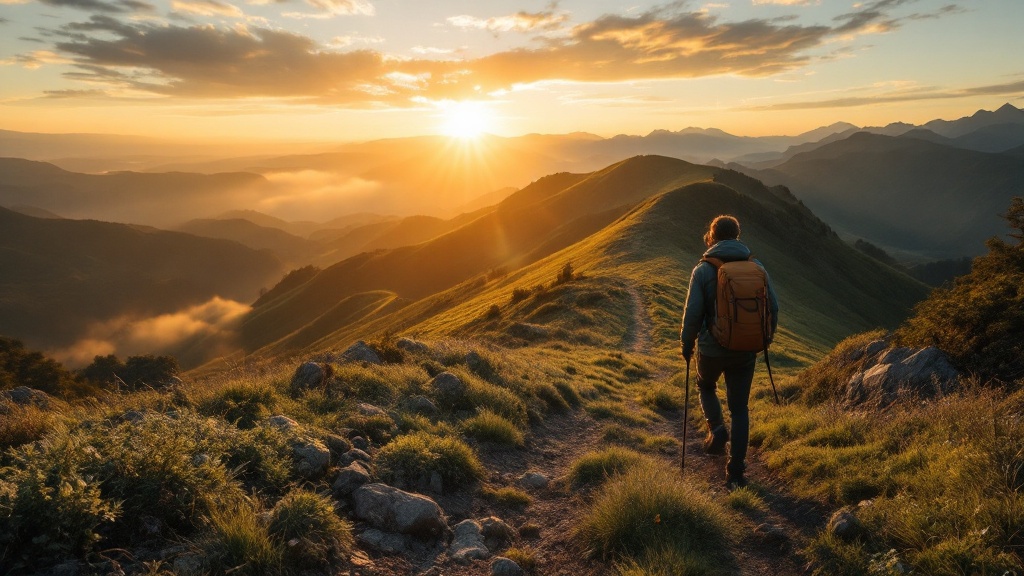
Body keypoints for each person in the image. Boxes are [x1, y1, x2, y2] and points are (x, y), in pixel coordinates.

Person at [679, 215, 779, 489]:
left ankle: (717, 429)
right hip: (746, 350)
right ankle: (736, 471)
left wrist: (687, 345)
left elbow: (693, 314)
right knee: (740, 409)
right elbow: (774, 307)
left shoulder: (702, 270)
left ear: (711, 237)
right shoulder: (756, 266)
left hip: (711, 349)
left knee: (706, 386)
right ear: (737, 236)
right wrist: (763, 338)